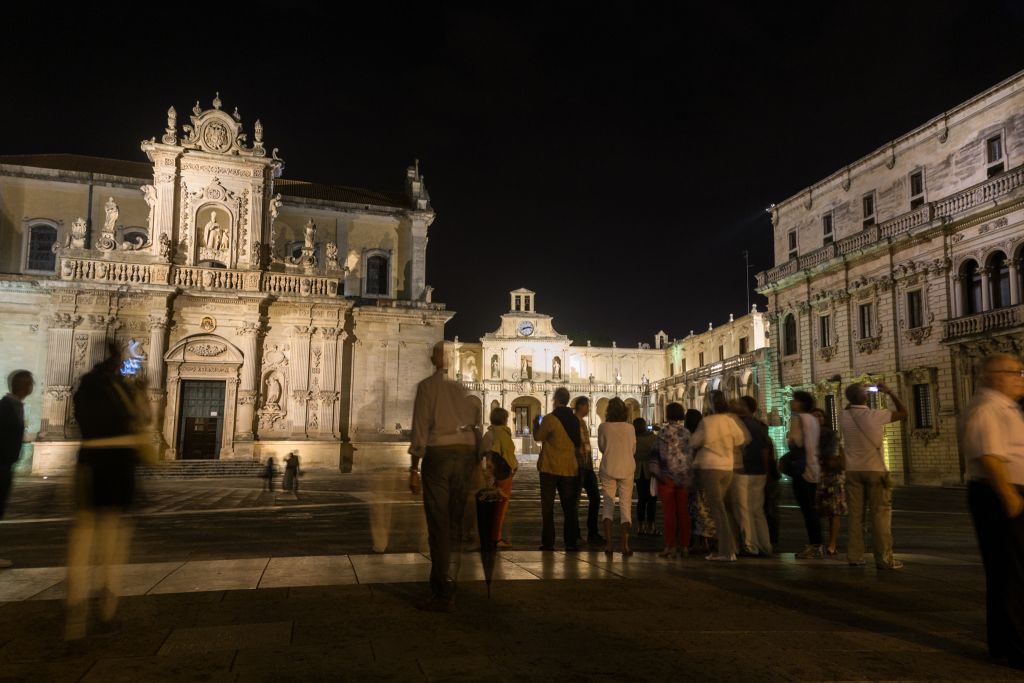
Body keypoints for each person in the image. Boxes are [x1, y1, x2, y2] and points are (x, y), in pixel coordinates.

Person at [66, 343, 148, 639]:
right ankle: (107, 608)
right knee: (113, 542)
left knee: (83, 538)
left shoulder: (84, 387)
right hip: (116, 469)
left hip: (87, 467)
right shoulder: (121, 390)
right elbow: (141, 421)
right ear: (115, 361)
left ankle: (75, 610)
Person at [961, 353, 1024, 667]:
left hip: (1003, 491)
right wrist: (1009, 496)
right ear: (990, 375)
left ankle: (1004, 643)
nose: (1019, 377)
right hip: (998, 493)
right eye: (1013, 372)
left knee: (1010, 571)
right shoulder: (987, 407)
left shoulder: (1005, 407)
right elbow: (990, 456)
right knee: (1011, 574)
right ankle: (1014, 647)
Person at [408, 341, 479, 613]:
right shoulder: (460, 389)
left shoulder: (427, 387)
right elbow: (473, 422)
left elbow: (420, 429)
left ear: (432, 358)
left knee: (438, 524)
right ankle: (452, 584)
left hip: (439, 455)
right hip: (464, 455)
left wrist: (413, 468)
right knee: (455, 524)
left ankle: (441, 591)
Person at [840, 382, 907, 570]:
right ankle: (884, 559)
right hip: (875, 470)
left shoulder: (844, 415)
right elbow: (903, 413)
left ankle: (854, 556)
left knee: (855, 516)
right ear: (865, 397)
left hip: (853, 471)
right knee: (880, 516)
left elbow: (849, 404)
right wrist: (890, 391)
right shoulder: (876, 415)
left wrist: (857, 392)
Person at [691, 390, 748, 562]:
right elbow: (740, 439)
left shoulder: (707, 421)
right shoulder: (729, 420)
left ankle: (725, 551)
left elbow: (694, 442)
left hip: (710, 468)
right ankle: (732, 547)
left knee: (717, 509)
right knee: (725, 508)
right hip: (727, 468)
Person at [534, 387, 581, 551]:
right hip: (569, 468)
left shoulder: (550, 419)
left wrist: (535, 424)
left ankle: (548, 541)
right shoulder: (575, 420)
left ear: (555, 400)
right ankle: (571, 541)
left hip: (550, 467)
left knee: (547, 507)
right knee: (569, 507)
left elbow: (538, 437)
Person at [0, 370, 33, 569]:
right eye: (30, 383)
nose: (32, 387)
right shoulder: (5, 407)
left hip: (6, 465)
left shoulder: (15, 406)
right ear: (22, 385)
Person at [650, 402, 693, 558]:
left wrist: (657, 472)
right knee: (683, 513)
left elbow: (658, 454)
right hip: (683, 477)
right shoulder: (687, 433)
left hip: (667, 476)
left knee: (669, 513)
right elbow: (690, 455)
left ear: (667, 415)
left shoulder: (663, 432)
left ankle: (670, 546)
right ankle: (686, 546)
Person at [732, 396, 773, 557]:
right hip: (759, 471)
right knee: (757, 511)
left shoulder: (738, 424)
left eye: (740, 404)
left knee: (744, 510)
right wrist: (766, 471)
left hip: (744, 471)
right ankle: (765, 544)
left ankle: (750, 546)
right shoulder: (758, 425)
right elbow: (765, 449)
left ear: (746, 407)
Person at [598, 397, 637, 556]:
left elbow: (601, 447)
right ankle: (625, 545)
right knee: (625, 506)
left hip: (608, 467)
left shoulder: (603, 427)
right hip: (627, 468)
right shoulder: (630, 428)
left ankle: (609, 544)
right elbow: (633, 448)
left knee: (608, 504)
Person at [788, 391, 822, 559]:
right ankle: (817, 544)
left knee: (807, 510)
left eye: (794, 400)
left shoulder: (797, 419)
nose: (791, 402)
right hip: (813, 466)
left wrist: (790, 439)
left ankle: (814, 545)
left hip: (802, 468)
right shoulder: (813, 419)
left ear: (800, 403)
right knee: (811, 509)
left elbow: (798, 442)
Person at [481, 407, 517, 549]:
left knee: (488, 507)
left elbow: (481, 453)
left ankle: (489, 536)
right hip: (503, 474)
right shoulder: (503, 434)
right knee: (501, 507)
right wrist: (513, 467)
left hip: (488, 475)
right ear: (504, 419)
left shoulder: (488, 434)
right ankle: (496, 538)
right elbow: (508, 454)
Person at [812, 408, 846, 557]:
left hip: (831, 475)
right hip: (816, 475)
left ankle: (832, 543)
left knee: (834, 511)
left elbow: (830, 453)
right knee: (817, 511)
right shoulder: (808, 434)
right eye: (814, 416)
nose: (817, 418)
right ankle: (818, 543)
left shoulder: (830, 434)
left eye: (819, 415)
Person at [573, 396, 604, 545]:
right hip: (577, 466)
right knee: (575, 501)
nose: (589, 409)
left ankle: (592, 531)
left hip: (587, 466)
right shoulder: (573, 422)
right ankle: (576, 533)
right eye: (587, 406)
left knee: (596, 498)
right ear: (581, 406)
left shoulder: (583, 423)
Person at [685, 409, 715, 552]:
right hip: (706, 473)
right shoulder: (705, 433)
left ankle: (695, 541)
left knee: (693, 509)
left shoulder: (687, 436)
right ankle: (707, 540)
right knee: (706, 509)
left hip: (692, 475)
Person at [633, 418, 658, 536]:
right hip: (651, 471)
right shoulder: (652, 438)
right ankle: (651, 526)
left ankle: (640, 526)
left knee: (641, 500)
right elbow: (656, 453)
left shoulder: (633, 439)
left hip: (638, 472)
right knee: (652, 499)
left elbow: (633, 454)